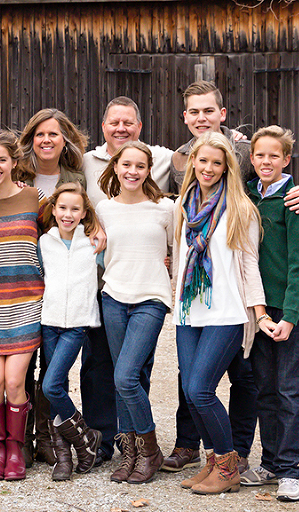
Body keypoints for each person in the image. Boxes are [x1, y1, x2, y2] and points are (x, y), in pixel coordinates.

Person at [162, 80, 299, 475]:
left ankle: (241, 456)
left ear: (222, 113)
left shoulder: (247, 158)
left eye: (208, 110)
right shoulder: (179, 170)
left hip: (237, 303)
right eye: (194, 112)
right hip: (192, 306)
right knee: (194, 384)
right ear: (186, 118)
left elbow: (275, 179)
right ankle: (198, 449)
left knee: (248, 383)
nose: (202, 117)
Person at [172, 131, 269, 495]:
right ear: (193, 163)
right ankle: (212, 462)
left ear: (228, 167)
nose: (209, 168)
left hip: (227, 313)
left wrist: (258, 315)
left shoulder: (241, 209)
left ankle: (228, 465)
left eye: (217, 162)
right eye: (203, 161)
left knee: (200, 390)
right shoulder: (183, 206)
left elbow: (249, 266)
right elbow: (179, 260)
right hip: (189, 312)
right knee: (188, 387)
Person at [80, 96, 173, 466]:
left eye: (129, 122)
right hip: (106, 288)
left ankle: (140, 447)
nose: (121, 128)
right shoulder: (89, 169)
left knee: (131, 371)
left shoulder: (165, 178)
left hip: (148, 291)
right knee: (102, 367)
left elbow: (209, 154)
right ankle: (112, 442)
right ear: (103, 126)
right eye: (114, 122)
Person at [241, 125, 299, 502]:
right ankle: (269, 462)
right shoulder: (249, 195)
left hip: (291, 311)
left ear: (286, 159)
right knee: (265, 390)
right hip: (259, 307)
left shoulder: (294, 202)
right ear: (251, 159)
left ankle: (290, 469)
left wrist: (289, 315)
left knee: (288, 392)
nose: (266, 161)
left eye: (274, 155)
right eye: (259, 155)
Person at [15, 108, 92, 466]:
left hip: (61, 286)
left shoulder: (76, 175)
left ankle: (47, 437)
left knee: (51, 369)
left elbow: (89, 213)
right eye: (40, 134)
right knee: (23, 363)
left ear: (65, 141)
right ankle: (21, 438)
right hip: (24, 279)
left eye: (54, 134)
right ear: (30, 139)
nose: (46, 140)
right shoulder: (19, 176)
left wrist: (99, 229)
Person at [96, 141, 174, 484]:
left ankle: (151, 450)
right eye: (126, 165)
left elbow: (179, 249)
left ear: (149, 170)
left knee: (126, 376)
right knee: (126, 376)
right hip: (113, 296)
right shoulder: (102, 209)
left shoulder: (165, 208)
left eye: (140, 166)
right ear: (115, 167)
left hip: (151, 298)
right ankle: (131, 454)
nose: (132, 171)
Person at [0, 130, 46, 482]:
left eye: (2, 159)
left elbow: (67, 222)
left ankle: (16, 447)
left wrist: (96, 231)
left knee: (16, 382)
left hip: (26, 301)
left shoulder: (33, 197)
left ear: (14, 162)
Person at [38, 182, 103, 481]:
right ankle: (65, 457)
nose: (68, 214)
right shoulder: (44, 243)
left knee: (50, 386)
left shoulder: (93, 243)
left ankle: (86, 438)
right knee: (56, 385)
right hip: (49, 322)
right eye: (62, 208)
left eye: (75, 209)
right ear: (53, 210)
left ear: (84, 213)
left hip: (76, 324)